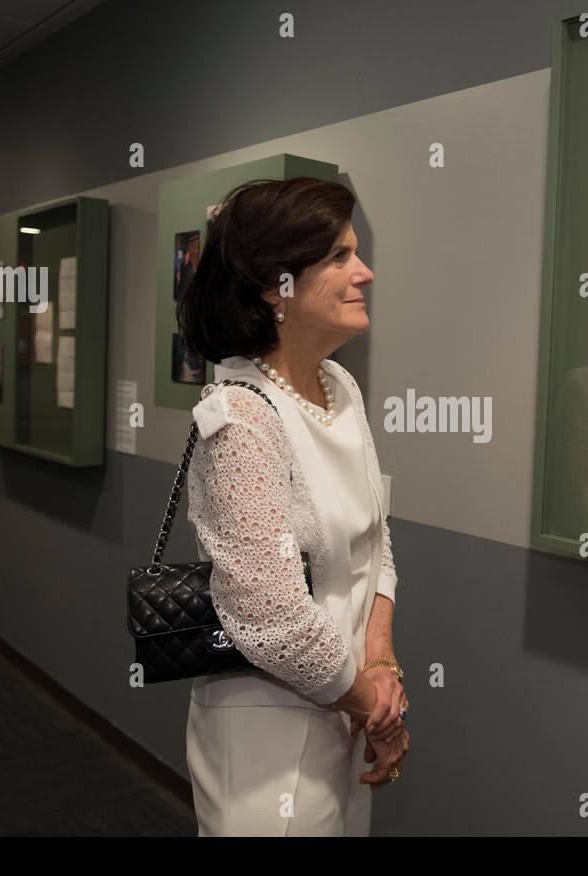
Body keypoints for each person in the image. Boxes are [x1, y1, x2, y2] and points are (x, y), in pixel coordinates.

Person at [175, 176, 407, 836]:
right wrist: (374, 707)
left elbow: (375, 540)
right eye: (338, 256)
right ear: (273, 287)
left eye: (354, 251)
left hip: (345, 709)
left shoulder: (340, 387)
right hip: (267, 744)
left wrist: (382, 664)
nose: (363, 272)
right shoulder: (241, 419)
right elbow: (268, 615)